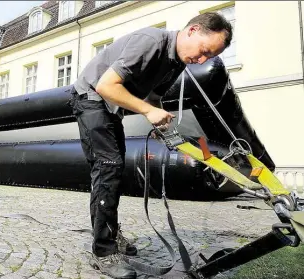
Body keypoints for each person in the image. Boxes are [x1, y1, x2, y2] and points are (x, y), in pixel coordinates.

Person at [69, 12, 233, 279]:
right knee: (108, 167)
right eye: (203, 51)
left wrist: (159, 122)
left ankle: (110, 233)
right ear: (192, 30)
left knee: (112, 169)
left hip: (109, 107)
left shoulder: (177, 62)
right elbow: (106, 86)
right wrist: (147, 111)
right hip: (90, 97)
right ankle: (103, 251)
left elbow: (154, 96)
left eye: (209, 58)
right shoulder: (151, 41)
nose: (201, 60)